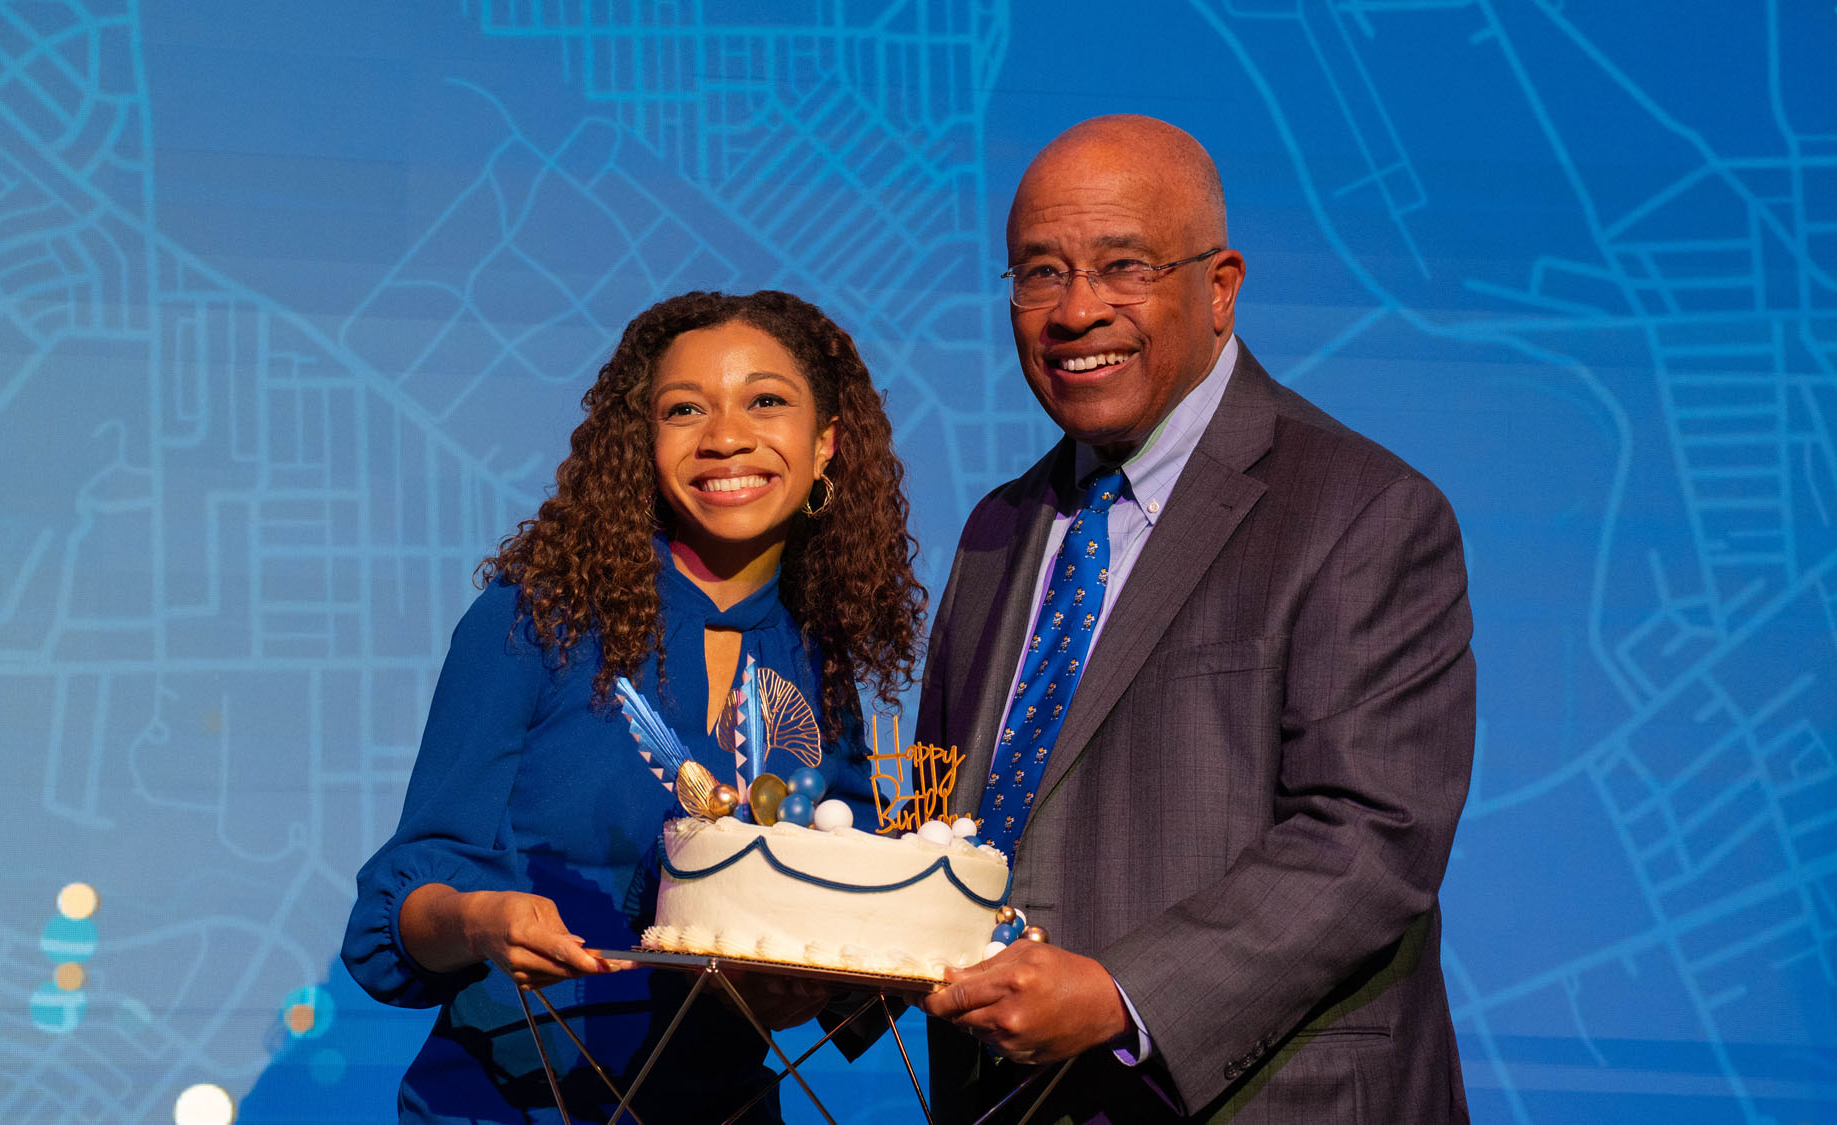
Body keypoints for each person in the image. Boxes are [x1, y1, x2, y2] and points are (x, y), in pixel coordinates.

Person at [915, 115, 1476, 1122]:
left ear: (1219, 288)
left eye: (1121, 267)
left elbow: (1370, 837)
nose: (1075, 310)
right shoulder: (996, 530)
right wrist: (808, 965)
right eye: (1039, 273)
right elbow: (942, 822)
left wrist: (1121, 997)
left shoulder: (1365, 512)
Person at [343, 290, 927, 1123]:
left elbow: (846, 927)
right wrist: (476, 920)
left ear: (825, 442)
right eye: (685, 408)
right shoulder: (536, 618)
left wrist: (805, 985)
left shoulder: (818, 661)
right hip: (507, 1104)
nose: (725, 436)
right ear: (642, 443)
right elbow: (395, 911)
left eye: (766, 400)